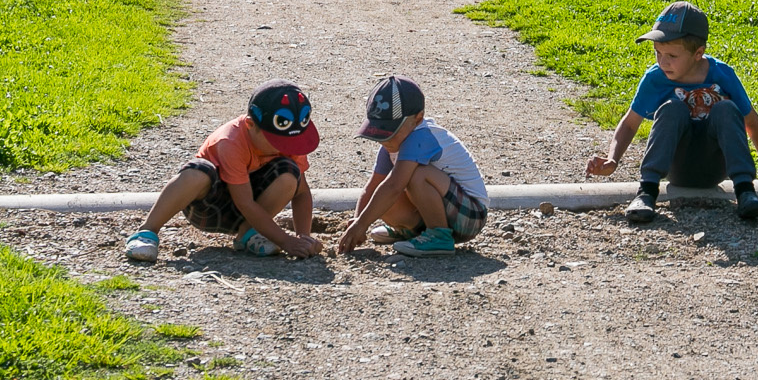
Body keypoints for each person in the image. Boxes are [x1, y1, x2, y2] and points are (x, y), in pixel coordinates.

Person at [584, 0, 758, 224]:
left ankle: (745, 191)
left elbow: (751, 122)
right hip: (675, 167)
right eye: (657, 52)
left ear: (698, 53)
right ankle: (646, 193)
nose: (663, 62)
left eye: (672, 56)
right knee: (671, 108)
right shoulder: (655, 78)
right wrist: (612, 160)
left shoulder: (722, 74)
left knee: (726, 107)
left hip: (716, 166)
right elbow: (629, 123)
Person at [124, 81, 324, 263]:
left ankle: (248, 234)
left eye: (291, 141)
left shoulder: (290, 143)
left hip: (253, 210)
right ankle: (147, 232)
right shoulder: (230, 141)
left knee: (290, 174)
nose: (285, 147)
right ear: (250, 125)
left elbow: (302, 192)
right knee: (198, 171)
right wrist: (284, 240)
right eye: (277, 141)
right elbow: (244, 202)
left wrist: (303, 238)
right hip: (210, 206)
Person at [335, 74, 491, 256]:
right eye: (380, 130)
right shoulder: (391, 145)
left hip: (471, 215)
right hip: (446, 209)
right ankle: (411, 232)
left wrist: (363, 224)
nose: (385, 138)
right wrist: (357, 221)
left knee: (416, 175)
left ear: (417, 119)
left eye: (391, 130)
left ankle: (439, 237)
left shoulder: (422, 136)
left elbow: (394, 186)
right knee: (379, 196)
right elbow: (372, 187)